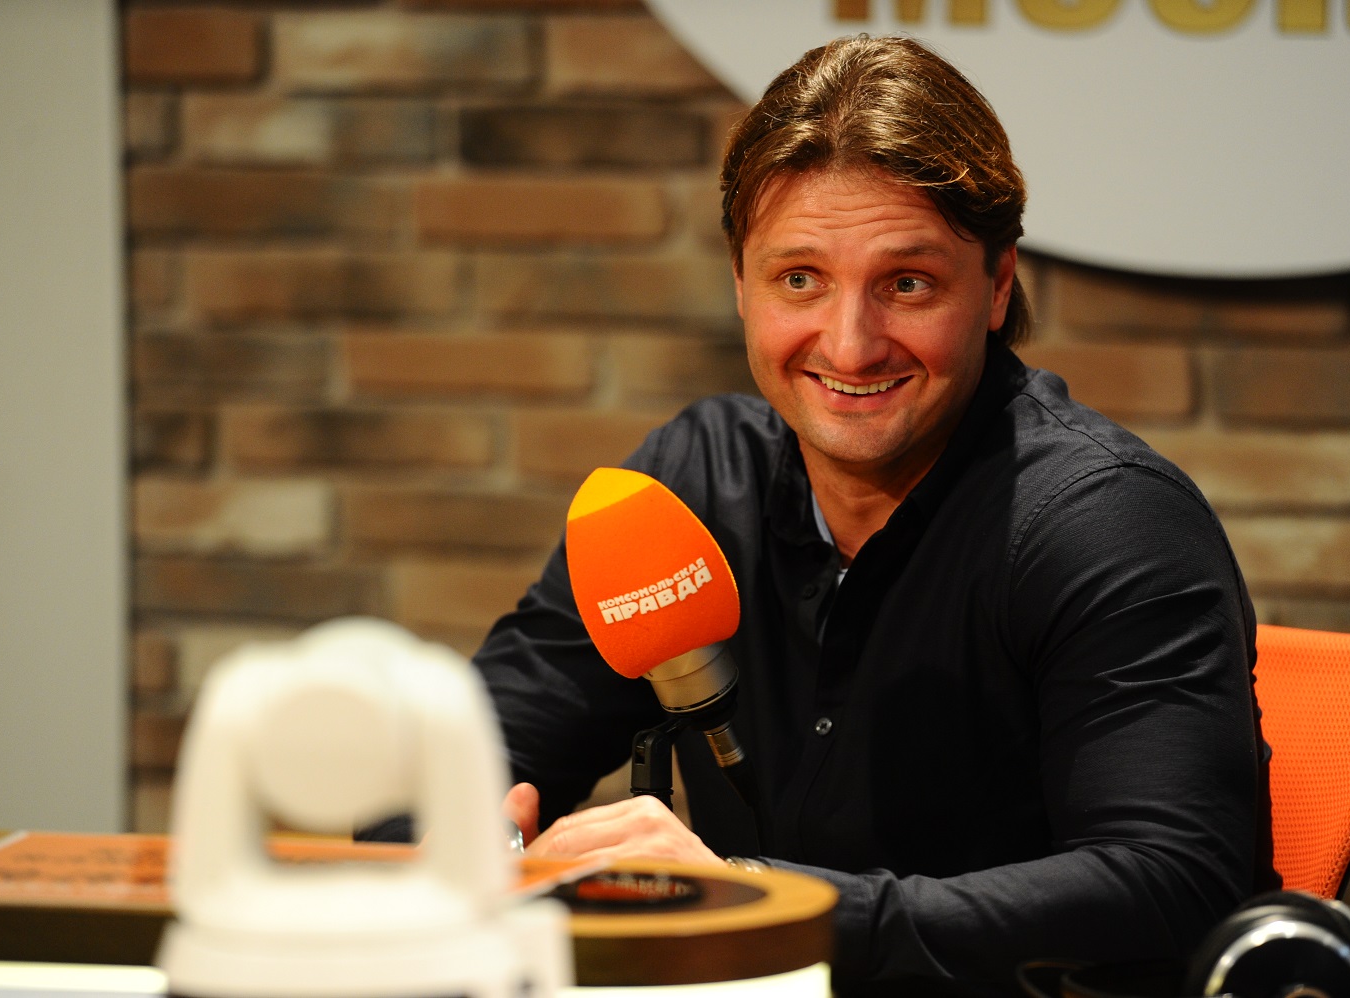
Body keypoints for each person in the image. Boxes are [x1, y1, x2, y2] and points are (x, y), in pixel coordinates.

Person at [473, 35, 1276, 996]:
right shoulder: (691, 484)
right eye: (799, 279)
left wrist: (755, 899)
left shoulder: (1106, 523)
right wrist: (475, 841)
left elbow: (1175, 882)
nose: (851, 347)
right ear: (740, 283)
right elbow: (470, 752)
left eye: (907, 283)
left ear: (997, 286)